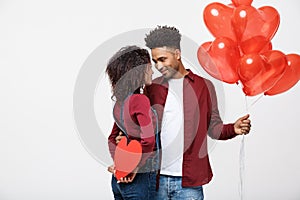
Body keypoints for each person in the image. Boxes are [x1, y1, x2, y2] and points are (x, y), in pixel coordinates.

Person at [142, 25, 251, 199]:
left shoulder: (203, 87)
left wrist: (233, 129)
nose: (159, 66)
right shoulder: (152, 88)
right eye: (155, 61)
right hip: (155, 180)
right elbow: (141, 126)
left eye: (163, 59)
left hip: (189, 183)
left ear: (177, 54)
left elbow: (213, 128)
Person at [106, 45, 157, 200]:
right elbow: (148, 140)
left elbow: (112, 139)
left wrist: (120, 166)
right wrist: (134, 166)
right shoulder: (140, 100)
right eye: (149, 68)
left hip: (118, 180)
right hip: (139, 180)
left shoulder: (120, 104)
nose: (152, 72)